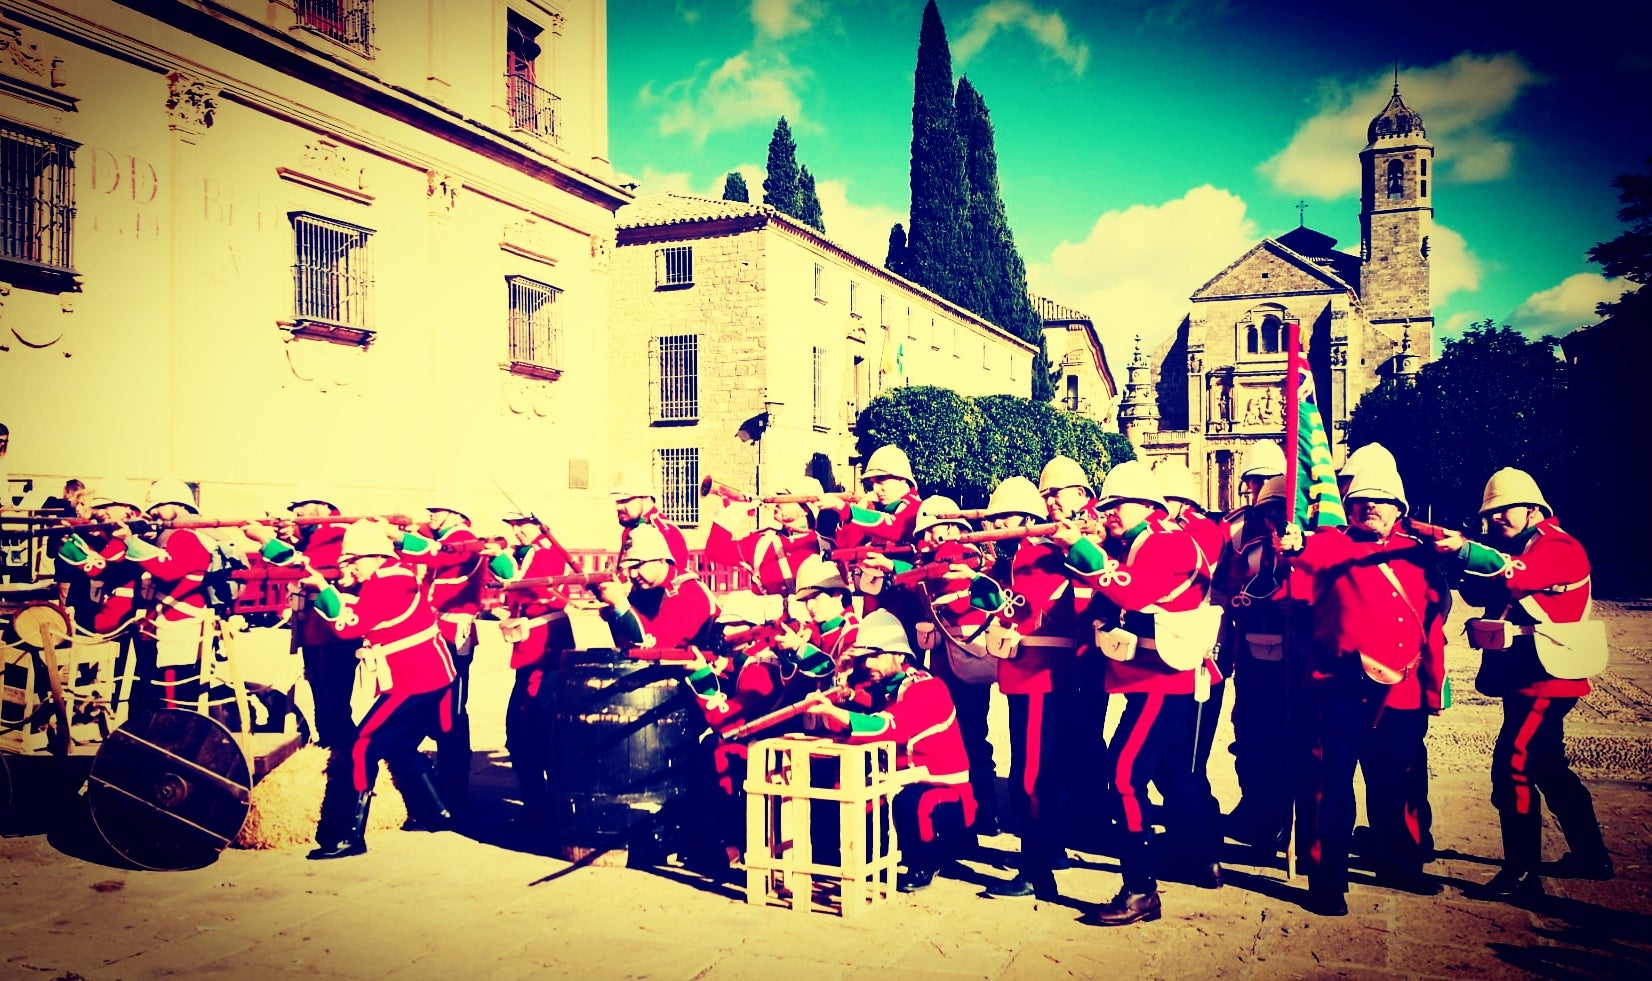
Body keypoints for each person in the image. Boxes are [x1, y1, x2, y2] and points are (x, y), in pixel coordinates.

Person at [1282, 458, 1448, 916]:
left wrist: (1433, 688)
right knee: (1331, 786)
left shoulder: (1418, 553)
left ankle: (1400, 863)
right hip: (1340, 688)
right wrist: (1294, 544)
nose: (1370, 507)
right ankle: (1327, 879)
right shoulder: (1331, 545)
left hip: (1402, 691)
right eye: (1361, 501)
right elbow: (1305, 552)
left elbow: (1432, 627)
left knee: (1399, 782)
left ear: (1399, 509)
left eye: (1381, 501)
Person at [1060, 461, 1223, 926]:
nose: (1108, 512)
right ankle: (1201, 859)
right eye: (1107, 504)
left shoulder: (1167, 542)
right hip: (1148, 677)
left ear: (1149, 505)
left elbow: (1132, 591)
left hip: (1161, 679)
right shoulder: (1137, 543)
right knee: (1173, 775)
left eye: (1118, 504)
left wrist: (1081, 548)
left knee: (1124, 774)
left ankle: (1139, 889)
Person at [1438, 467, 1612, 901]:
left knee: (1513, 767)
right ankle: (1592, 857)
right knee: (1549, 767)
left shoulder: (1559, 546)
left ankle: (1521, 873)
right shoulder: (1515, 548)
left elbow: (1516, 575)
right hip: (1525, 674)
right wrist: (1457, 558)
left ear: (1534, 509)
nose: (1496, 517)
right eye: (1491, 512)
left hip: (1547, 677)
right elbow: (1481, 594)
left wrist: (1465, 551)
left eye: (1505, 509)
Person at [263, 520, 458, 860]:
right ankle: (436, 813)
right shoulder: (392, 575)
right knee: (401, 748)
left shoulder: (387, 581)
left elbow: (350, 626)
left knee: (362, 747)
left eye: (352, 561)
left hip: (415, 678)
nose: (349, 568)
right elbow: (357, 608)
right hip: (426, 674)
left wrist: (322, 587)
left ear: (373, 557)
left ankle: (348, 835)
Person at [804, 608, 974, 893]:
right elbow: (861, 714)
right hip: (906, 781)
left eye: (875, 655)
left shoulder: (927, 688)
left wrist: (835, 711)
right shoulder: (886, 688)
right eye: (864, 657)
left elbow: (888, 726)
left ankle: (924, 863)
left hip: (942, 792)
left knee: (910, 802)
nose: (868, 663)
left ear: (898, 654)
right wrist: (843, 682)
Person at [983, 469, 1084, 902]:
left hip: (1041, 676)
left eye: (1005, 518)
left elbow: (1028, 607)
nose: (996, 526)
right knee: (1040, 774)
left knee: (1031, 778)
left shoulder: (1042, 553)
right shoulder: (1015, 558)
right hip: (1024, 677)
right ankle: (1048, 853)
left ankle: (1035, 870)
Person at [1217, 476, 1297, 850]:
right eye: (1268, 511)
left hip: (1294, 660)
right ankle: (1258, 813)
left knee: (1288, 740)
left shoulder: (1308, 548)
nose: (1274, 518)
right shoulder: (1246, 548)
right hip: (1252, 656)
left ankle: (1285, 821)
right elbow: (1227, 589)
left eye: (1280, 510)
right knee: (1251, 737)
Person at [487, 512, 578, 828]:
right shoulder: (525, 553)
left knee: (536, 729)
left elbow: (525, 585)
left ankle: (546, 809)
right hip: (530, 650)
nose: (516, 532)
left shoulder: (546, 554)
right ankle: (537, 804)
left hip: (545, 650)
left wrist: (499, 559)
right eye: (512, 526)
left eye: (521, 525)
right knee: (520, 730)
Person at [399, 496, 488, 816]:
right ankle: (445, 790)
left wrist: (398, 536)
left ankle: (454, 793)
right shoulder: (448, 536)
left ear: (455, 513)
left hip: (452, 635)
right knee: (438, 711)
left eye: (437, 510)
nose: (431, 515)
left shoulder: (462, 539)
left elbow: (437, 555)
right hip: (439, 634)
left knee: (452, 715)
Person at [111, 480, 216, 718]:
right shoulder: (182, 534)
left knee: (173, 685)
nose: (153, 512)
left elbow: (168, 570)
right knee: (166, 682)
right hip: (172, 618)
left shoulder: (185, 535)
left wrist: (130, 541)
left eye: (159, 506)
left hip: (179, 619)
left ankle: (172, 728)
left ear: (178, 505)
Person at [276, 490, 361, 750]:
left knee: (334, 697)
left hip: (332, 628)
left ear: (323, 505)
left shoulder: (337, 531)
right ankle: (331, 747)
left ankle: (343, 750)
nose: (296, 512)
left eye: (302, 505)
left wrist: (279, 544)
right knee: (321, 693)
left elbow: (309, 566)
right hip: (315, 627)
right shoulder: (314, 534)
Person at [596, 525, 718, 652]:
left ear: (661, 559)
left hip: (704, 662)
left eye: (638, 565)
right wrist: (614, 611)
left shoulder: (688, 593)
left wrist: (620, 603)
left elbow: (653, 644)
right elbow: (628, 644)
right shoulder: (651, 588)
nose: (632, 574)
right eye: (630, 567)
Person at [703, 477, 824, 596]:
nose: (776, 502)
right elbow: (715, 550)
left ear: (805, 509)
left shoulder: (824, 547)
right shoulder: (761, 543)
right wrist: (735, 510)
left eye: (783, 497)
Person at [611, 462, 690, 570]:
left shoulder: (665, 530)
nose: (618, 507)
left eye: (625, 500)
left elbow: (677, 576)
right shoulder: (634, 526)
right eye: (617, 501)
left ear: (645, 496)